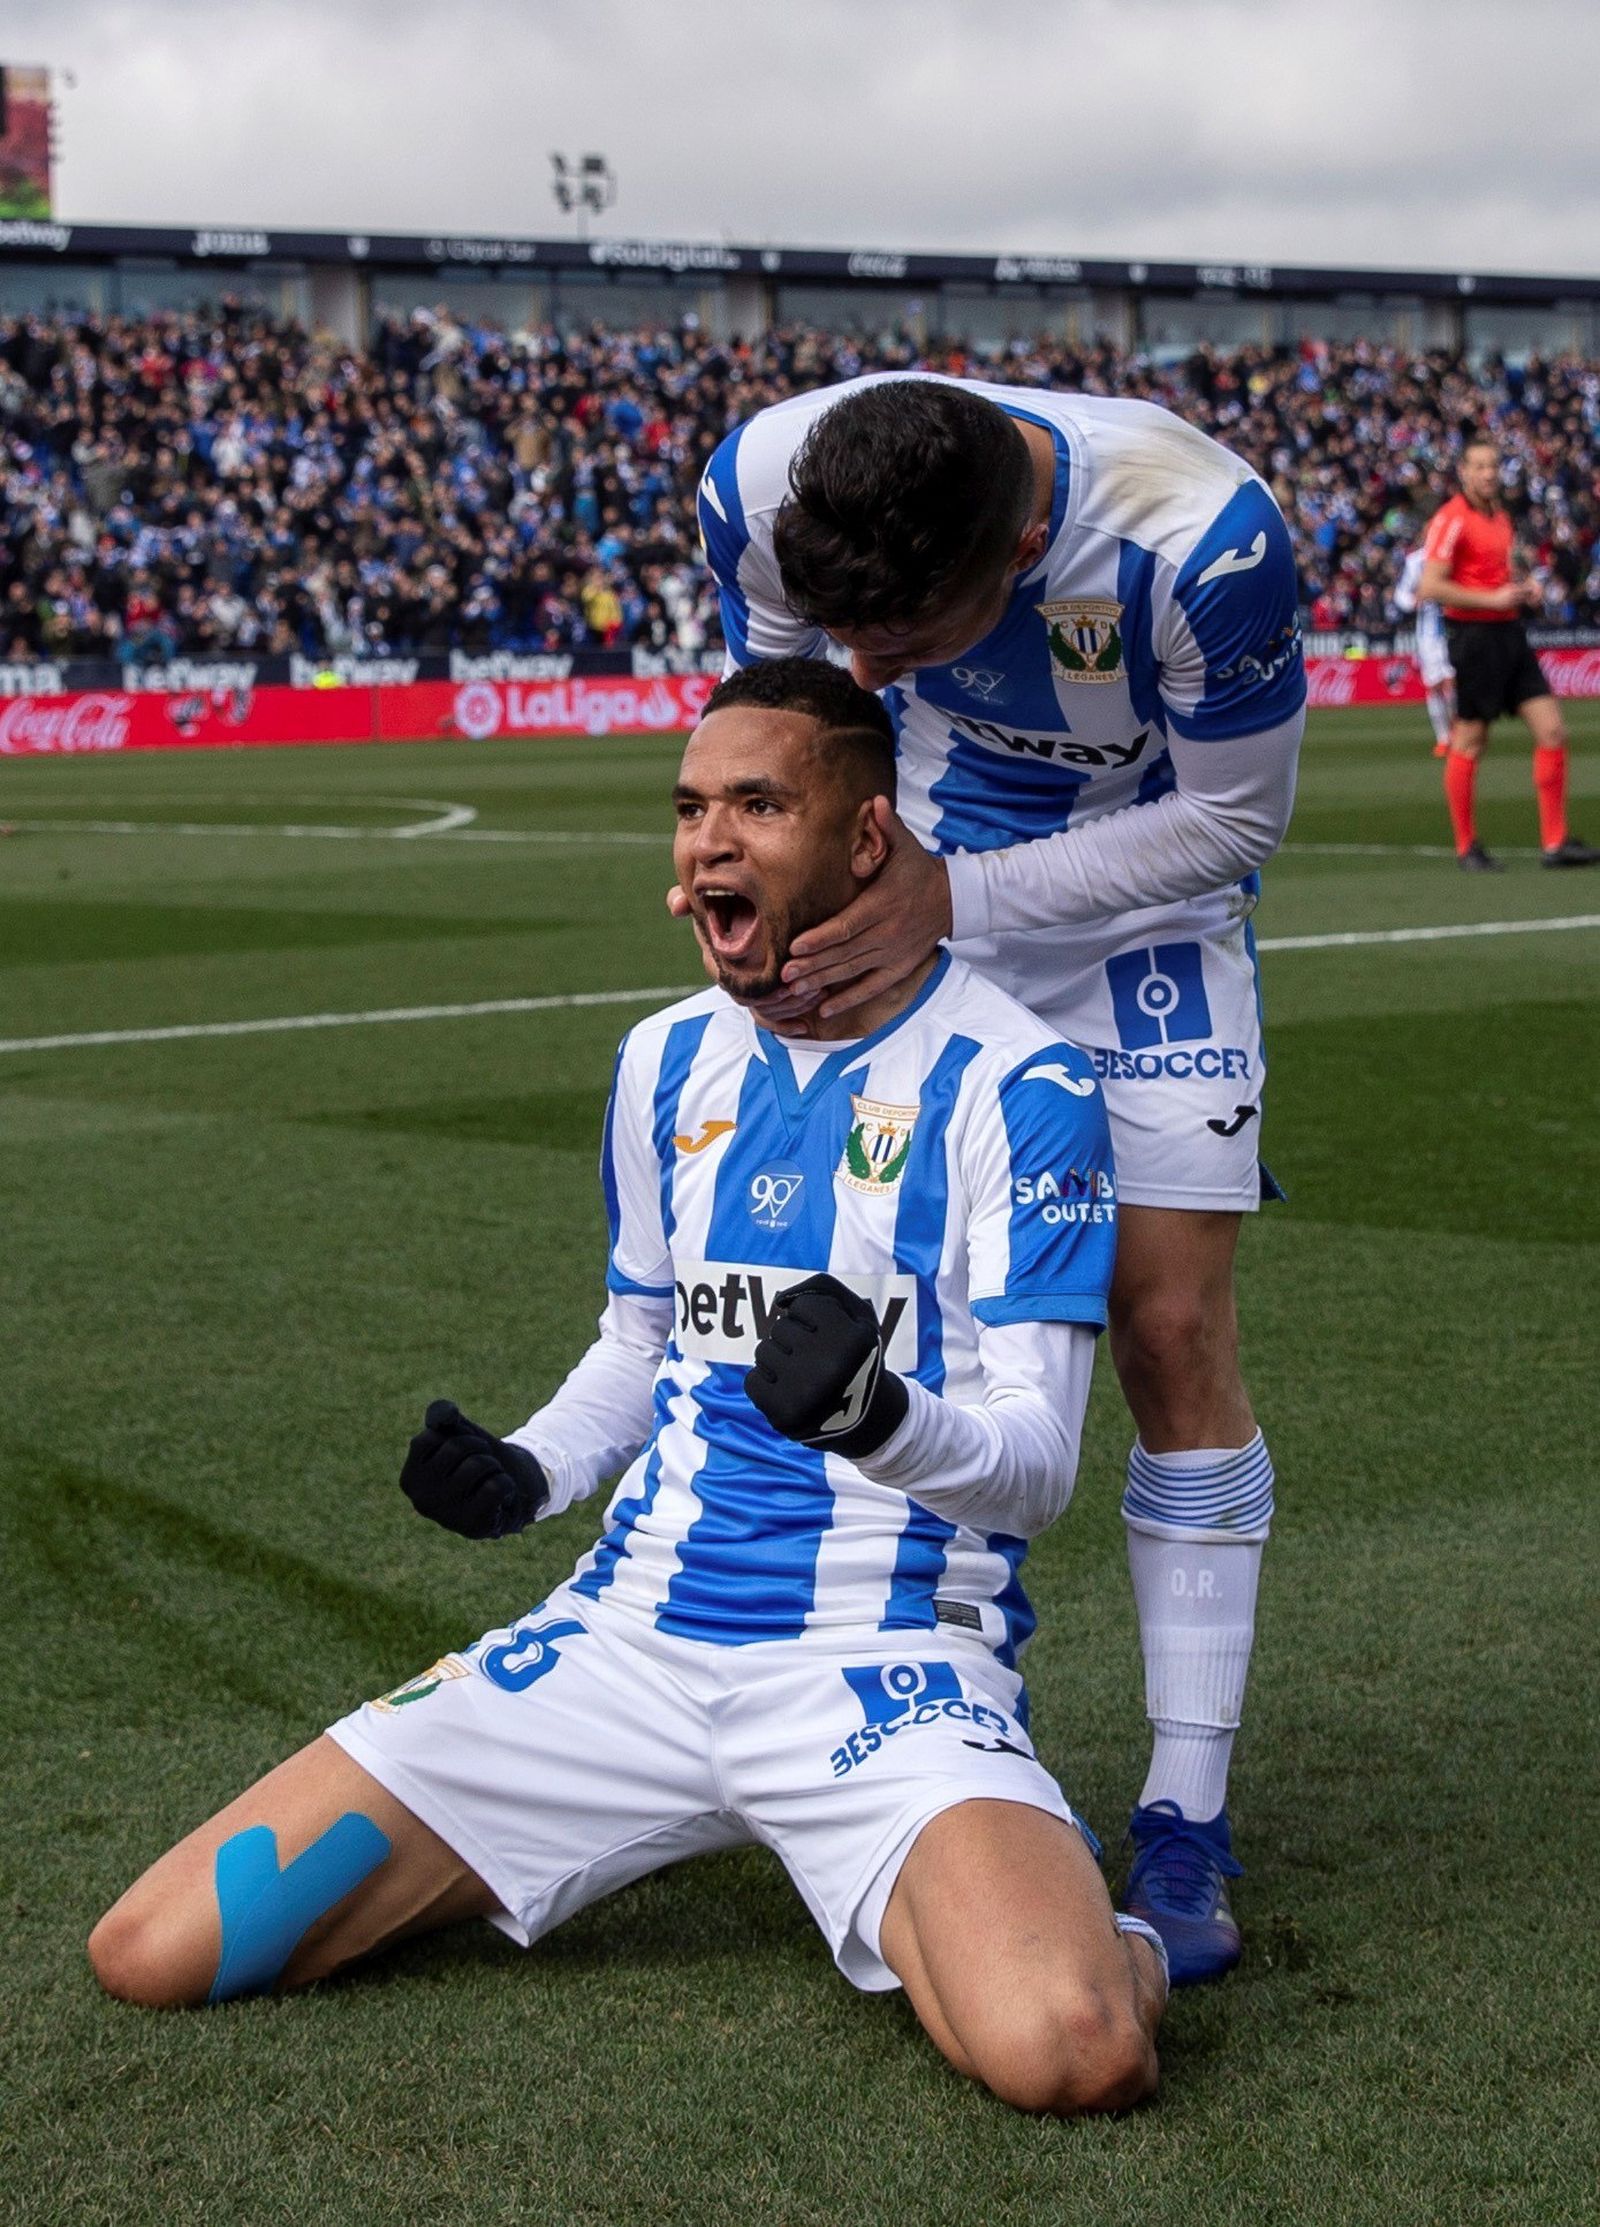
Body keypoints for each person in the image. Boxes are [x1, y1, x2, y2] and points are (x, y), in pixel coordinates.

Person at [88, 659, 1168, 2118]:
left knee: (1074, 2048)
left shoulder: (1019, 1085)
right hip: (624, 1643)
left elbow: (1040, 1462)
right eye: (691, 806)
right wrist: (527, 1470)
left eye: (758, 803)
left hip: (877, 1658)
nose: (708, 840)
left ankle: (1121, 1930)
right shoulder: (662, 1062)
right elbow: (639, 1341)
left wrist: (877, 1416)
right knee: (159, 1947)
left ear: (864, 840)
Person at [692, 373, 1300, 1982]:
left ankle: (1184, 1805)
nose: (872, 666)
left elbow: (1234, 820)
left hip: (1135, 903)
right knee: (849, 1300)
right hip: (916, 871)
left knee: (1168, 1329)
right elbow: (791, 708)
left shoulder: (1204, 542)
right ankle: (865, 1713)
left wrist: (956, 902)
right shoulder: (758, 481)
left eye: (909, 630)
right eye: (853, 629)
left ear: (1030, 538)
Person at [1419, 437, 1599, 872]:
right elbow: (1430, 587)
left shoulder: (1500, 518)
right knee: (1470, 740)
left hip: (1509, 633)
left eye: (1493, 466)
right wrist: (1493, 600)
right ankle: (1467, 848)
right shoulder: (1450, 519)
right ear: (1463, 471)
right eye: (1479, 466)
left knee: (1552, 729)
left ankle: (1555, 844)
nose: (1488, 473)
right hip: (1474, 637)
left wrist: (1523, 588)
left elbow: (1497, 575)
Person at [1393, 543, 1454, 755]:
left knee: (1452, 682)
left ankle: (1458, 731)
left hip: (1454, 628)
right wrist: (1413, 601)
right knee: (1435, 684)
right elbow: (1400, 594)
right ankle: (1444, 737)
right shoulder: (1416, 561)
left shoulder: (1453, 555)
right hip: (1428, 634)